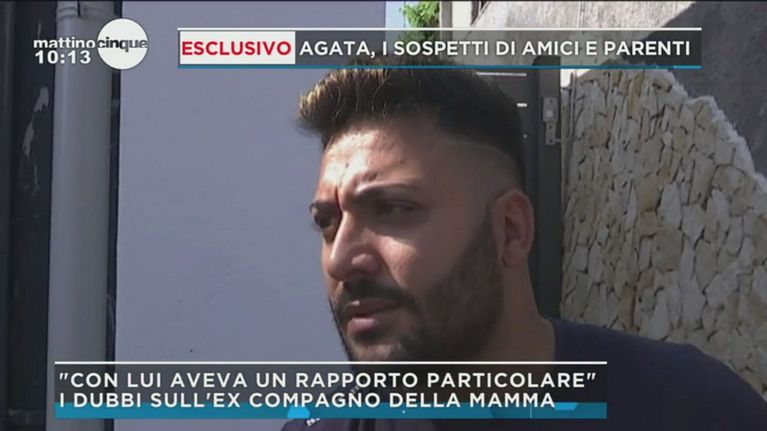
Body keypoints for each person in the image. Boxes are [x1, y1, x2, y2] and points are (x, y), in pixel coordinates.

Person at [282, 55, 767, 430]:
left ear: (510, 230)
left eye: (392, 209)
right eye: (328, 223)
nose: (341, 258)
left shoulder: (692, 409)